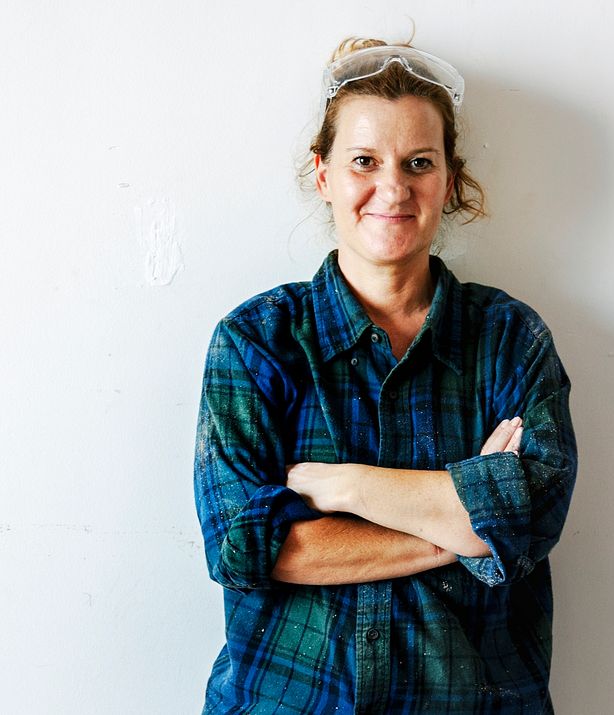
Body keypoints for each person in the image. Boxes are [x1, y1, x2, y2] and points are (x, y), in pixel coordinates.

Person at [194, 37, 577, 714]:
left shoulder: (511, 341)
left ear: (449, 181)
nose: (393, 188)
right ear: (324, 174)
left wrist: (342, 485)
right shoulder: (256, 342)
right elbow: (248, 546)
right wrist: (463, 528)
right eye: (364, 161)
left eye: (419, 163)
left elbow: (531, 517)